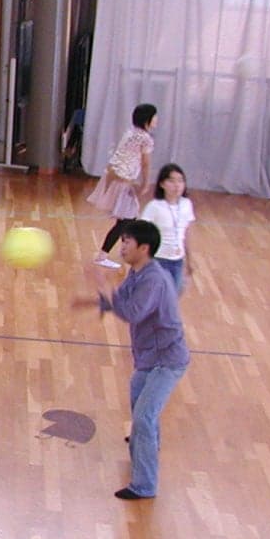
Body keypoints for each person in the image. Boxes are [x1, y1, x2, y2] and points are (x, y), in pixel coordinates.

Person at [83, 220, 190, 500]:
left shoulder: (153, 280)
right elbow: (120, 300)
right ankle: (148, 447)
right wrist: (101, 298)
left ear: (144, 248)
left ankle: (144, 486)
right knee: (141, 409)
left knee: (143, 418)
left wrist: (103, 287)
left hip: (166, 360)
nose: (122, 246)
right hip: (147, 357)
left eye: (127, 242)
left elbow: (132, 312)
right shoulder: (137, 273)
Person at [88, 103, 157, 269]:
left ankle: (124, 251)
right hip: (122, 181)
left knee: (126, 220)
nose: (157, 120)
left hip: (113, 177)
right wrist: (145, 183)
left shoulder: (130, 132)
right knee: (126, 221)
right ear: (147, 119)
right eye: (154, 117)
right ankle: (103, 256)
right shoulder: (145, 139)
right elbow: (145, 163)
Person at [140, 163, 195, 294]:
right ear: (162, 184)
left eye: (180, 181)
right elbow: (141, 233)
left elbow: (187, 234)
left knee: (173, 294)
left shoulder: (186, 204)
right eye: (171, 181)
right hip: (157, 260)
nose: (177, 185)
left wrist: (190, 259)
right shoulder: (154, 206)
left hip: (177, 260)